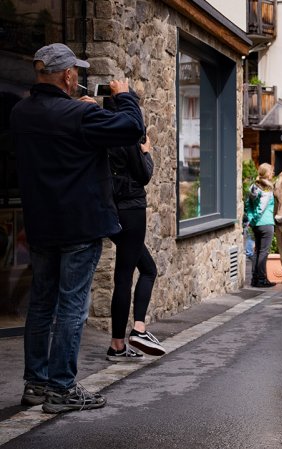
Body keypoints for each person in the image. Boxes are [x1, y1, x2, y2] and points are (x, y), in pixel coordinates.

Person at [11, 43, 145, 413]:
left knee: (41, 306)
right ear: (69, 76)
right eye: (77, 73)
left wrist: (82, 112)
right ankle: (62, 390)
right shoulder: (77, 115)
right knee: (72, 307)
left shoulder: (21, 113)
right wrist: (125, 96)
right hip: (79, 225)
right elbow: (133, 128)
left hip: (41, 224)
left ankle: (36, 384)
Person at [105, 91, 164, 361]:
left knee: (144, 268)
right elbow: (143, 174)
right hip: (131, 209)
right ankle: (128, 337)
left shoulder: (102, 131)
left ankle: (130, 334)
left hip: (111, 209)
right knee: (127, 276)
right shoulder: (128, 136)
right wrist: (147, 153)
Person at [246, 163, 277, 288]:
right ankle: (262, 279)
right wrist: (257, 218)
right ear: (268, 173)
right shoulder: (267, 189)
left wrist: (251, 220)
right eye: (271, 171)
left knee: (257, 251)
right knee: (264, 252)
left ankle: (254, 278)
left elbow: (248, 205)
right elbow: (261, 208)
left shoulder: (253, 187)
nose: (273, 173)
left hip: (256, 225)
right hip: (266, 223)